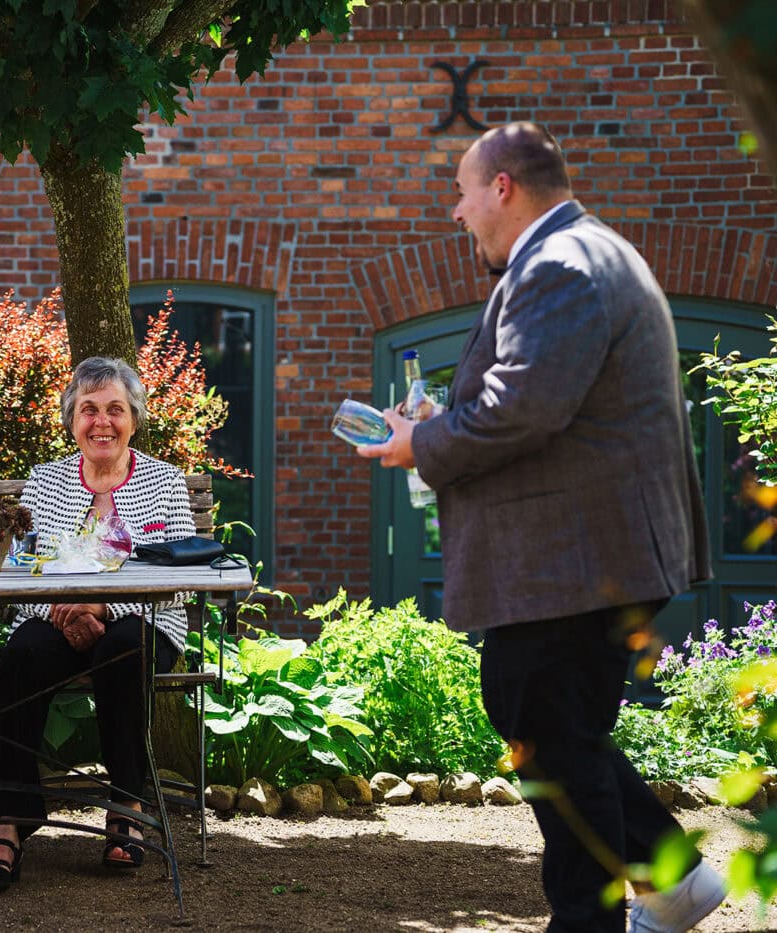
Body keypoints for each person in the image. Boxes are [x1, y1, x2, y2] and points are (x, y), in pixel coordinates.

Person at [358, 122, 721, 932]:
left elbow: (524, 406)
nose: (457, 213)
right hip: (588, 556)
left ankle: (597, 917)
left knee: (549, 733)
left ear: (503, 187)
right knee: (555, 730)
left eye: (461, 192)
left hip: (576, 560)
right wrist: (439, 423)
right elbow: (544, 404)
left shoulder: (558, 265)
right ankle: (676, 880)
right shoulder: (586, 254)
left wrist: (426, 440)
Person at [0, 356, 196, 895]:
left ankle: (125, 805)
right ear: (72, 420)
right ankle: (5, 821)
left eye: (115, 409)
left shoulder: (164, 482)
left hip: (144, 621)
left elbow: (184, 581)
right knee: (22, 657)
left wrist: (103, 609)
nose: (102, 422)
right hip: (51, 615)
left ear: (133, 419)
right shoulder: (45, 482)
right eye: (89, 410)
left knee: (122, 650)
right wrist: (66, 611)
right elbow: (22, 567)